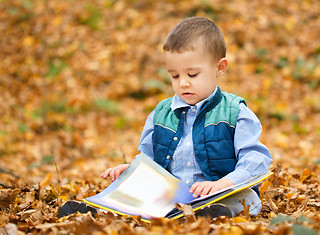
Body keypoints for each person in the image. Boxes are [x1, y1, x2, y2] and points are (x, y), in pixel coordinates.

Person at [59, 16, 272, 219]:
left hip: (217, 194)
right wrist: (132, 170)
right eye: (175, 75)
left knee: (247, 199)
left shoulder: (235, 112)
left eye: (192, 74)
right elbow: (149, 161)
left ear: (220, 67)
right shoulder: (161, 114)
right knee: (135, 194)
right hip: (169, 197)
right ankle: (96, 210)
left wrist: (224, 184)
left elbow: (256, 159)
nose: (183, 83)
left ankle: (209, 214)